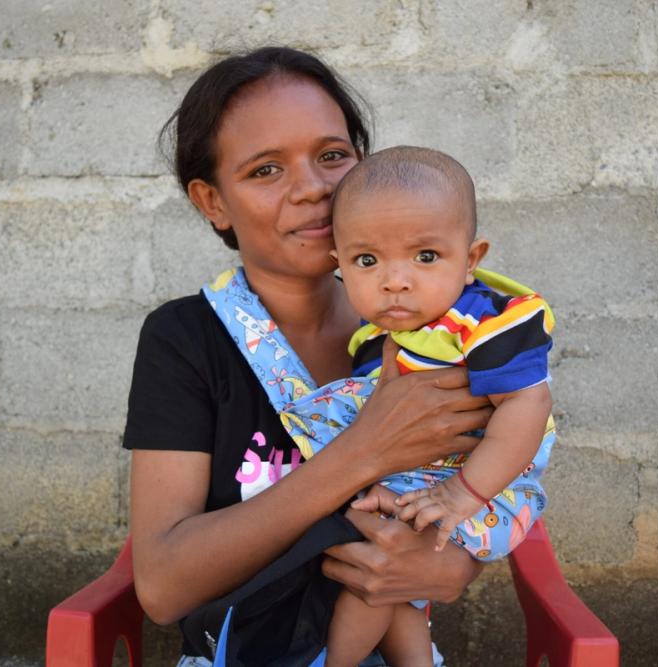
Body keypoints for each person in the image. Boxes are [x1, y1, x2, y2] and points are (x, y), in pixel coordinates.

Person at [124, 47, 491, 666]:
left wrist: (454, 565)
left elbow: (490, 478)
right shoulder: (185, 340)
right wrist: (363, 452)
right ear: (212, 202)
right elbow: (162, 588)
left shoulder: (432, 329)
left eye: (332, 156)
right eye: (265, 170)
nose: (314, 189)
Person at [283, 146, 554, 667]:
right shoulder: (376, 340)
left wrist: (461, 494)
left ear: (471, 260)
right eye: (368, 261)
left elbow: (528, 405)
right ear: (339, 266)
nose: (395, 280)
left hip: (486, 481)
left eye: (425, 256)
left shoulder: (485, 325)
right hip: (415, 481)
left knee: (370, 586)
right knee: (391, 586)